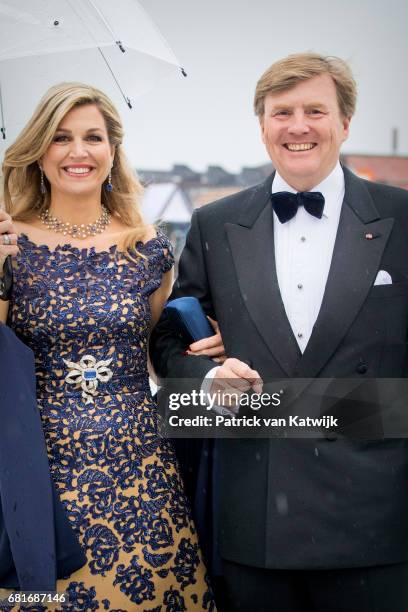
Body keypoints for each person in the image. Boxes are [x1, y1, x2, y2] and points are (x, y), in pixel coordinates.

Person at [150, 53, 408, 612]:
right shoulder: (215, 223)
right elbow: (167, 338)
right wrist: (208, 376)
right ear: (262, 124)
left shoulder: (403, 217)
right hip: (255, 515)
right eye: (281, 112)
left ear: (346, 121)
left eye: (316, 110)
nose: (298, 126)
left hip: (378, 519)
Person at [0, 82, 217, 610]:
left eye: (92, 137)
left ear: (113, 150)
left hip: (141, 469)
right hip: (39, 471)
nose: (78, 152)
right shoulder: (8, 243)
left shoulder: (147, 246)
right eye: (60, 138)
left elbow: (162, 353)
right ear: (38, 151)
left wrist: (210, 342)